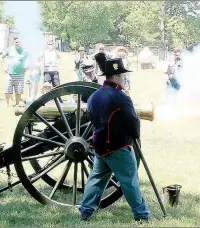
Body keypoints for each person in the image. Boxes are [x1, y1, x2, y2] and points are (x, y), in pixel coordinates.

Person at [79, 55, 150, 222]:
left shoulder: (94, 96)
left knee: (96, 179)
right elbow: (133, 122)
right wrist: (135, 136)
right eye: (123, 75)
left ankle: (86, 211)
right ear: (117, 77)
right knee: (130, 182)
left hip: (100, 145)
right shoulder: (122, 98)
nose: (125, 78)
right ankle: (142, 215)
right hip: (118, 147)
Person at [2, 37, 28, 107]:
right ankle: (7, 103)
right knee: (7, 89)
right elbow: (2, 57)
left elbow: (29, 59)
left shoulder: (24, 51)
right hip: (10, 73)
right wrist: (4, 67)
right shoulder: (9, 49)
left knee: (19, 90)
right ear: (14, 42)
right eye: (16, 42)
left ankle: (17, 104)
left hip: (20, 74)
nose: (17, 43)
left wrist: (26, 67)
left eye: (19, 42)